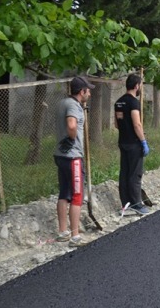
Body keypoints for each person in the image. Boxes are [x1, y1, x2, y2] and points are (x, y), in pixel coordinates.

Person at [53, 76, 94, 247]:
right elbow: (71, 125)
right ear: (81, 91)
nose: (90, 93)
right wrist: (72, 137)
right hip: (73, 156)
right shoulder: (73, 106)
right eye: (88, 90)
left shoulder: (63, 103)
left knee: (64, 193)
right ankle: (75, 236)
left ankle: (63, 232)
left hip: (60, 155)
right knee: (77, 195)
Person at [114, 73, 151, 215]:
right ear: (136, 86)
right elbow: (137, 124)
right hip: (134, 143)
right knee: (135, 174)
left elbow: (116, 124)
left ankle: (126, 203)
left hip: (123, 142)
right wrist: (143, 141)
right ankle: (136, 204)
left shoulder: (118, 102)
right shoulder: (133, 103)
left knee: (124, 173)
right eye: (141, 85)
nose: (141, 87)